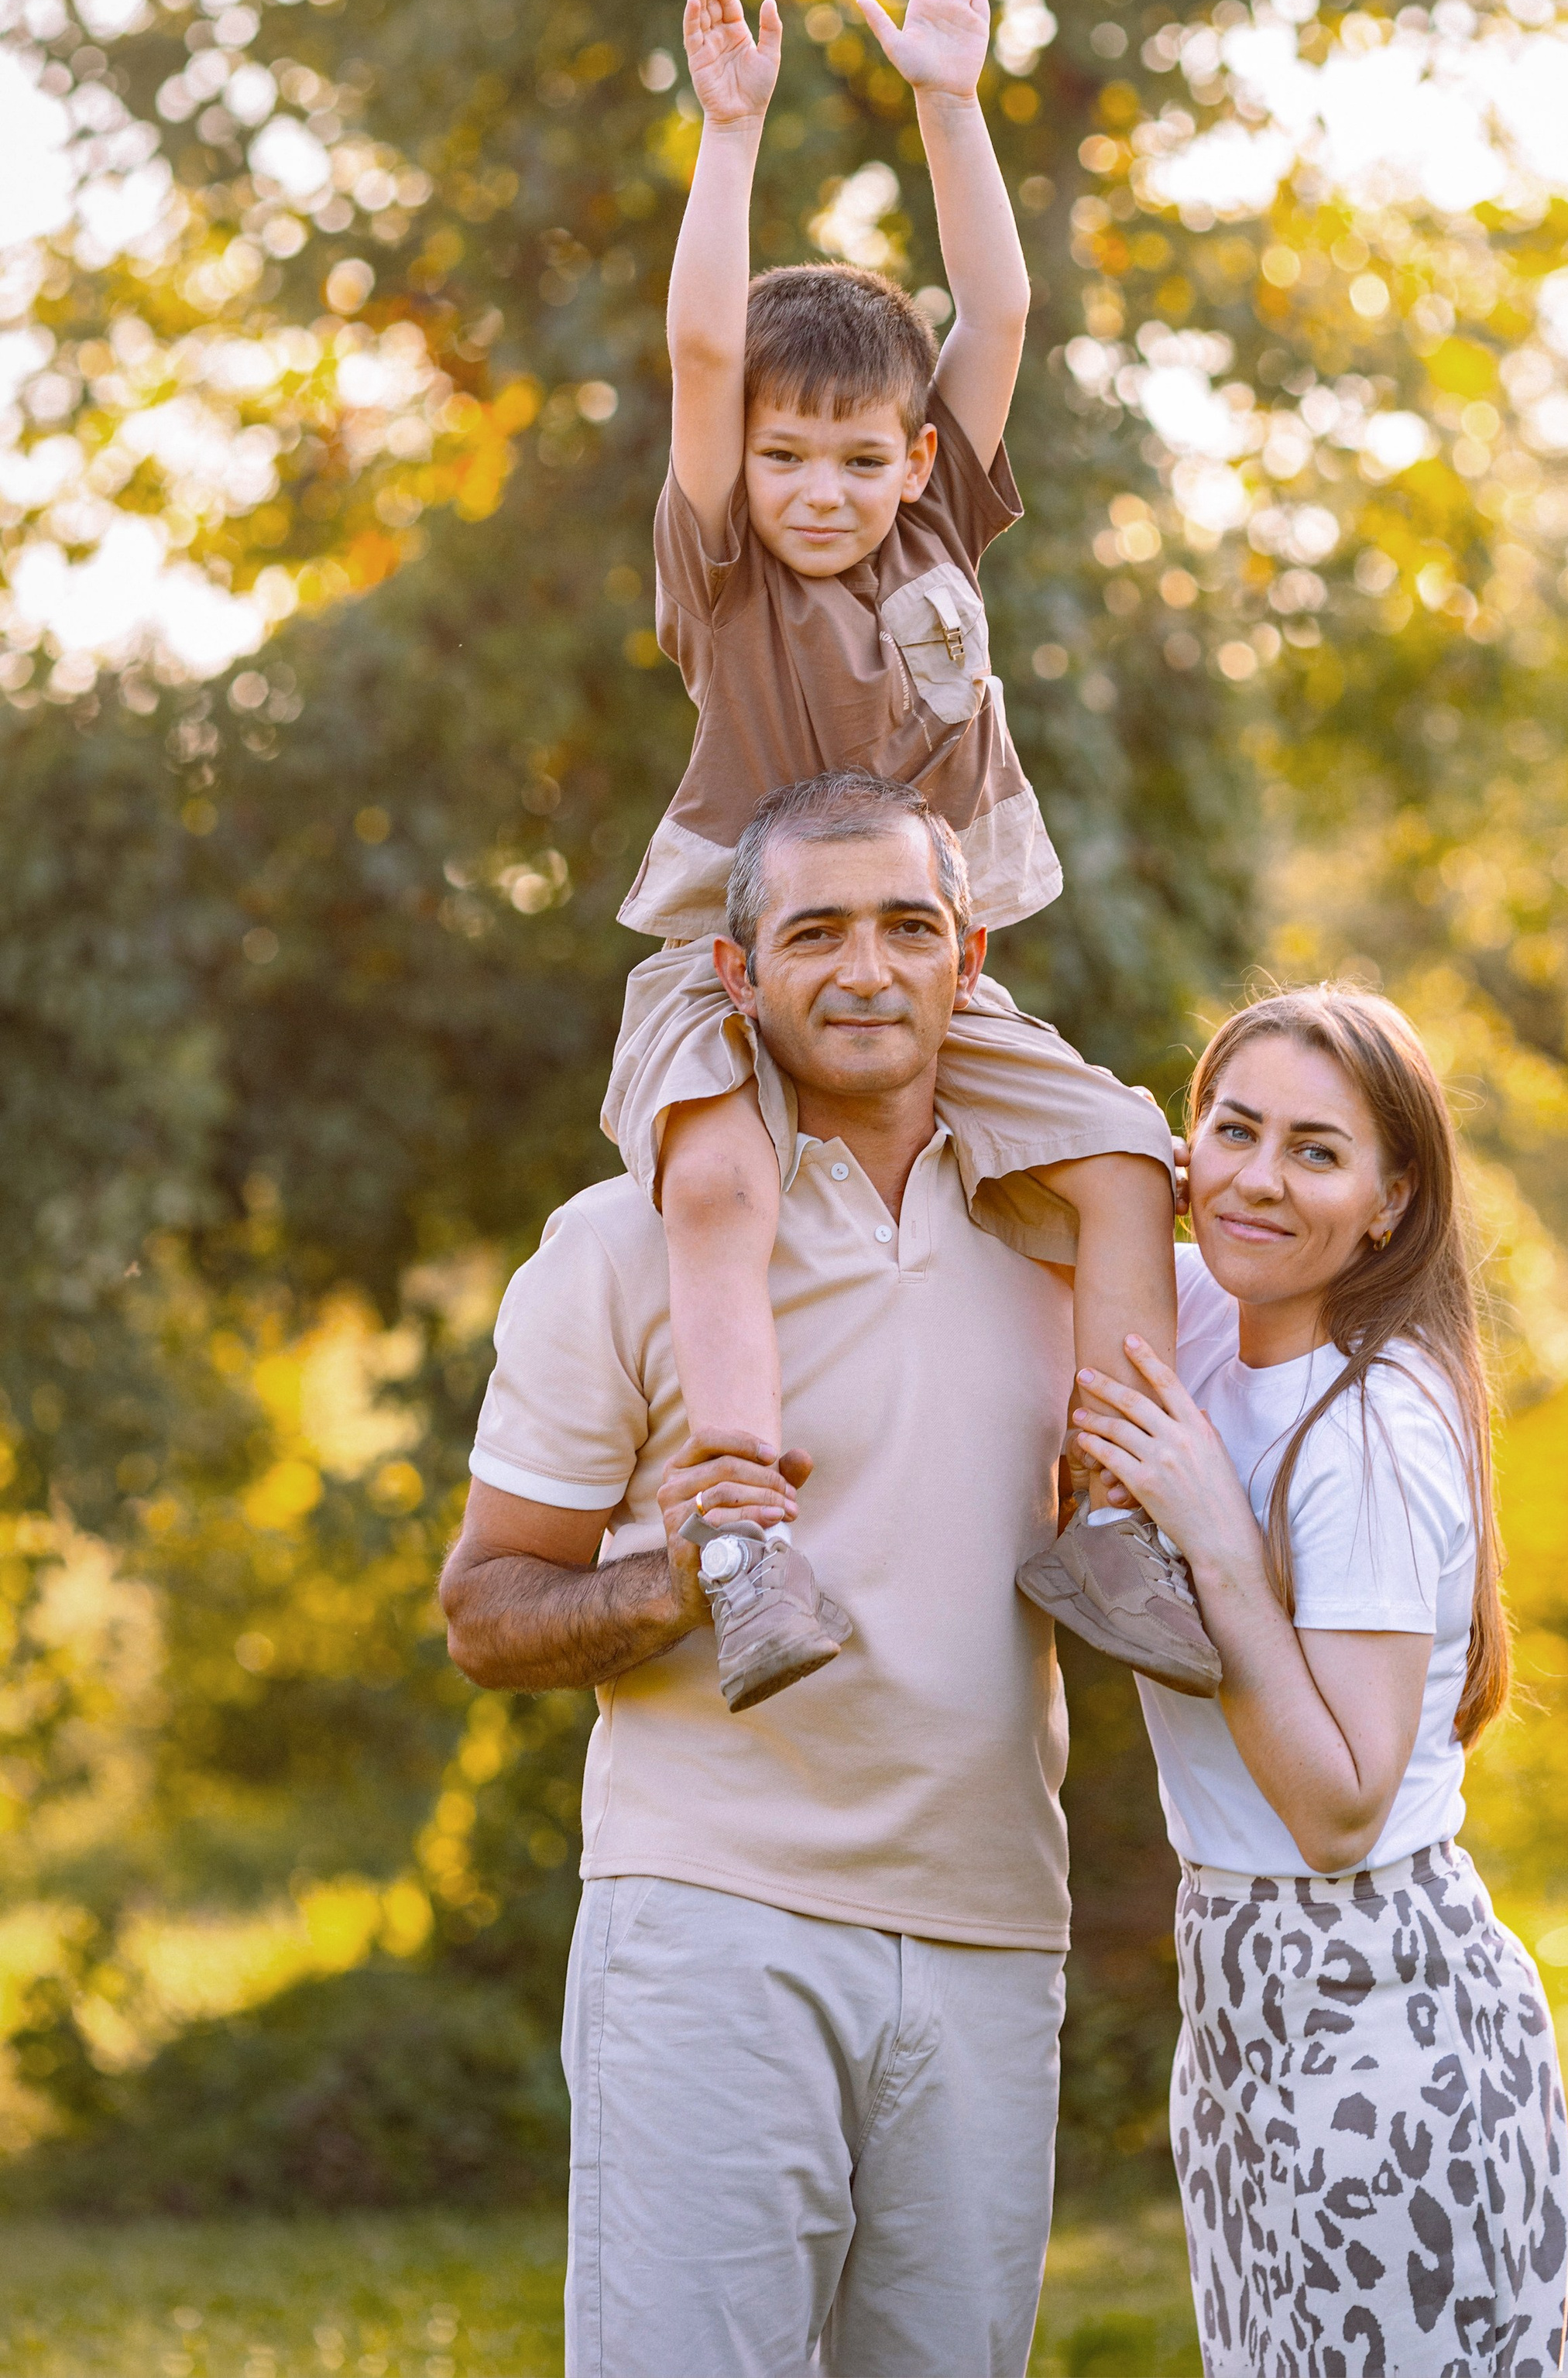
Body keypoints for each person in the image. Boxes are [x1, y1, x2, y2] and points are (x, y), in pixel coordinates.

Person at [598, 0, 1216, 1706]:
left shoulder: (935, 525)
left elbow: (1000, 310)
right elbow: (707, 357)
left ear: (918, 461)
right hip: (740, 953)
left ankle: (1101, 1513)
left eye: (859, 457)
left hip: (924, 970)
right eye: (792, 458)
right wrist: (729, 141)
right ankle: (745, 1538)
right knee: (711, 1169)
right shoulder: (717, 563)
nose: (819, 488)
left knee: (1118, 1159)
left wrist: (949, 103)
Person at [440, 777, 1086, 2378]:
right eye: (813, 931)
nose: (863, 969)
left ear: (968, 957)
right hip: (712, 1926)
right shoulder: (618, 1241)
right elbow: (484, 1608)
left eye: (905, 928)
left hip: (993, 1928)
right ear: (735, 973)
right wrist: (666, 1580)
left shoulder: (1072, 1243)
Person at [1067, 987, 1568, 2378]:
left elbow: (1343, 1810)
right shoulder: (1198, 1322)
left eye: (1316, 1151)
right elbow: (1029, 1139)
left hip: (1377, 2001)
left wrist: (1218, 1545)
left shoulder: (1367, 1427)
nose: (1257, 1179)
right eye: (1231, 1130)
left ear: (1388, 1200)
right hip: (1244, 1988)